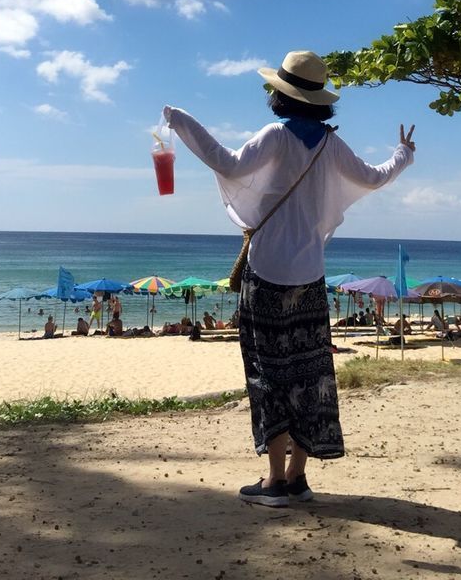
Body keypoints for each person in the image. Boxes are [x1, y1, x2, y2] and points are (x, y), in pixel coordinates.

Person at [164, 48, 415, 509]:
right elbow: (375, 177)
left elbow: (228, 163)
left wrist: (182, 121)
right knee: (310, 373)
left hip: (266, 274)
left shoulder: (276, 136)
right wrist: (404, 153)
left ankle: (274, 483)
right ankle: (298, 478)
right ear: (320, 99)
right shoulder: (330, 143)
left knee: (267, 375)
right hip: (311, 277)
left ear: (280, 94)